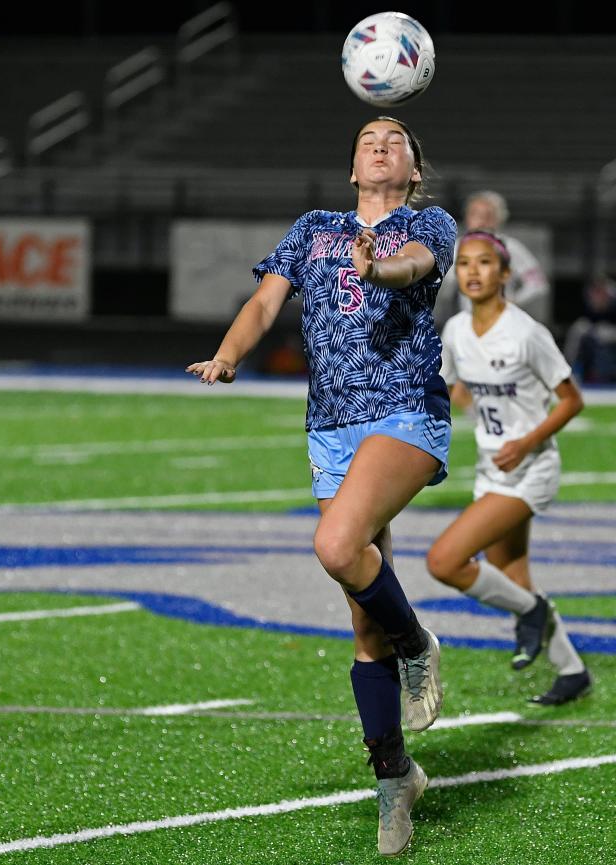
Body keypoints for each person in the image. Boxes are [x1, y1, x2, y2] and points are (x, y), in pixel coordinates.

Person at [186, 117, 456, 857]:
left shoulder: (428, 222)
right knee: (360, 621)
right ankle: (394, 775)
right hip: (330, 429)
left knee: (337, 545)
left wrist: (379, 268)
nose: (381, 142)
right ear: (350, 169)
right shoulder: (312, 228)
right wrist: (229, 353)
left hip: (404, 411)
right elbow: (267, 301)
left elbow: (415, 265)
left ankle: (419, 642)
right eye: (370, 134)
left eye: (396, 137)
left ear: (412, 169)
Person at [427, 232, 591, 706]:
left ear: (505, 275)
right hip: (490, 469)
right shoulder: (456, 329)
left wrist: (526, 441)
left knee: (445, 561)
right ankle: (572, 669)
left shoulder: (526, 333)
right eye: (463, 264)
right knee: (512, 575)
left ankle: (532, 613)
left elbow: (571, 401)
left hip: (531, 469)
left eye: (484, 263)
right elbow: (451, 390)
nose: (473, 272)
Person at [435, 190, 552, 328]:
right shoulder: (456, 249)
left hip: (504, 324)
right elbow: (442, 287)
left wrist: (513, 302)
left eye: (488, 215)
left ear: (500, 218)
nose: (481, 220)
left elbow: (538, 284)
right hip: (468, 324)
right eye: (475, 214)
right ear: (467, 218)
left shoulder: (511, 248)